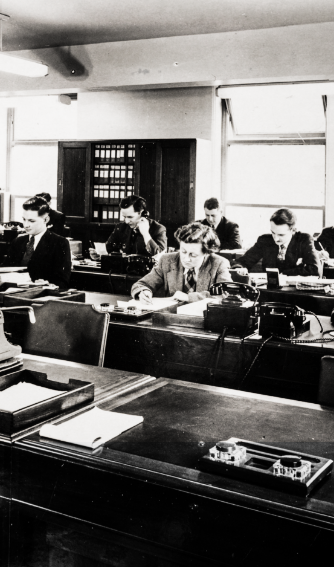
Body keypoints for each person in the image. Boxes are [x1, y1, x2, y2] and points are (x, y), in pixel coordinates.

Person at [131, 221, 232, 304]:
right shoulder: (167, 260)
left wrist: (189, 297)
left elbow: (226, 294)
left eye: (193, 255)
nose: (186, 259)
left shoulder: (219, 264)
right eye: (183, 252)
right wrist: (144, 292)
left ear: (206, 253)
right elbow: (141, 284)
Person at [232, 208, 321, 277]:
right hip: (271, 290)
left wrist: (281, 274)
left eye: (281, 235)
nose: (276, 238)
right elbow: (243, 261)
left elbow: (314, 269)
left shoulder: (303, 239)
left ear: (293, 230)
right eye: (273, 233)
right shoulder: (265, 240)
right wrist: (239, 268)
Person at [6, 196, 71, 288]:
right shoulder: (18, 241)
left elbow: (62, 280)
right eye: (24, 219)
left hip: (43, 296)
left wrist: (47, 285)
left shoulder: (59, 243)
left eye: (31, 221)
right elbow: (6, 269)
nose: (26, 225)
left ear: (46, 220)